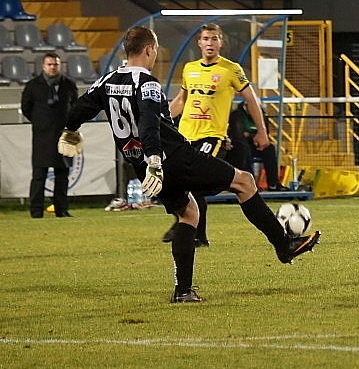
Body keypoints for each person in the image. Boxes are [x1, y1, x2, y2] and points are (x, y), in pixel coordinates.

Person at [57, 26, 319, 303]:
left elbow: (79, 109)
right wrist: (156, 159)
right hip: (171, 158)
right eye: (155, 50)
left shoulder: (106, 81)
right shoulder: (146, 83)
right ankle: (284, 245)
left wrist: (70, 130)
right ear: (149, 49)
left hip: (142, 165)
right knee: (244, 182)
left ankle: (183, 291)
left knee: (188, 212)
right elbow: (149, 123)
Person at [164, 23, 273, 247]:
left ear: (221, 42)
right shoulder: (189, 69)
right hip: (185, 136)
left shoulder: (231, 69)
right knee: (180, 182)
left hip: (211, 137)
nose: (210, 43)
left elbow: (251, 99)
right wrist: (159, 121)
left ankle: (196, 234)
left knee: (194, 180)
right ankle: (191, 228)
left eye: (214, 39)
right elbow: (182, 101)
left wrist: (262, 131)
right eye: (206, 39)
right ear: (199, 42)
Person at [21, 52, 79, 219]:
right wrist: (41, 123)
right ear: (43, 66)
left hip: (64, 137)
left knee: (62, 176)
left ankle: (62, 210)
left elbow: (75, 107)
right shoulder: (33, 86)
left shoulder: (69, 85)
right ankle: (36, 211)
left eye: (56, 64)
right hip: (42, 138)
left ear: (60, 66)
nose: (53, 67)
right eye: (49, 64)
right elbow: (26, 109)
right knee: (39, 176)